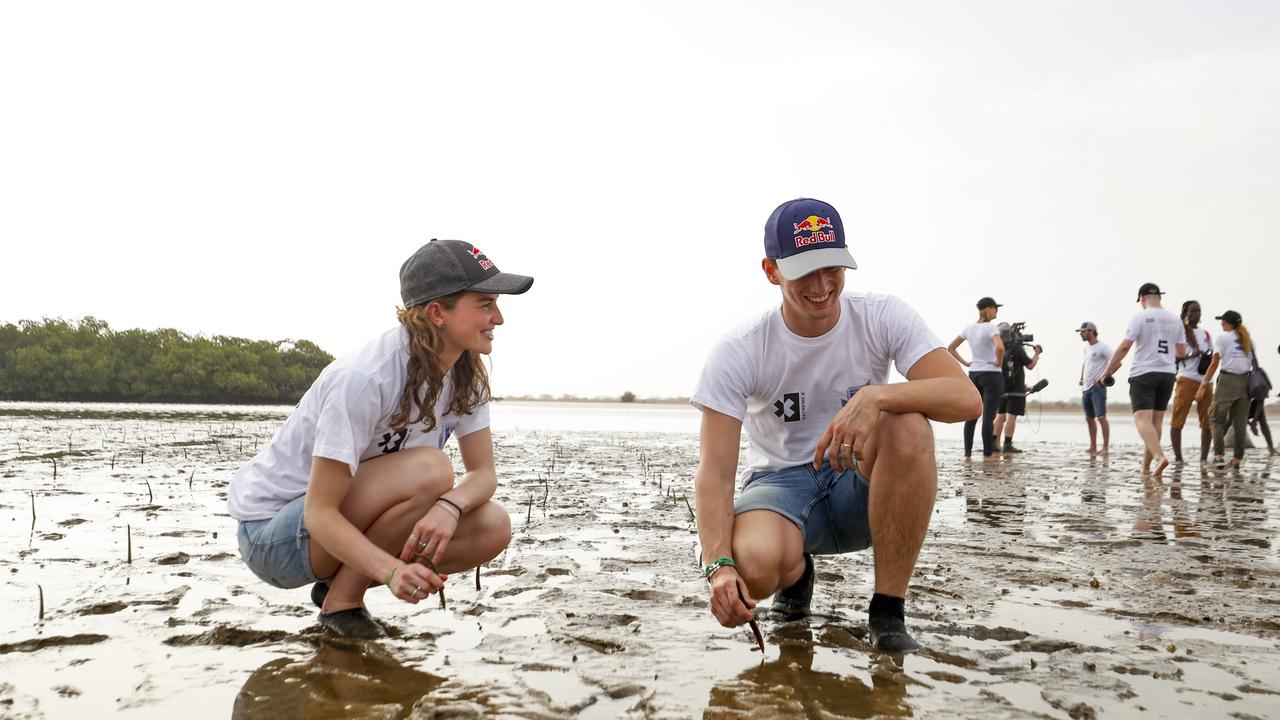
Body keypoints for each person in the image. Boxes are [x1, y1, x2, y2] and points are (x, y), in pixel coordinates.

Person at [691, 198, 980, 655]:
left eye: (833, 267)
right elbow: (715, 473)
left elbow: (967, 398)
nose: (822, 285)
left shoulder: (882, 315)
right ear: (772, 271)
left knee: (907, 423)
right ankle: (797, 573)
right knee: (755, 566)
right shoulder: (740, 349)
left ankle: (887, 612)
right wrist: (718, 566)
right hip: (780, 486)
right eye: (804, 270)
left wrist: (878, 395)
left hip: (860, 486)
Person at [228, 239, 532, 639]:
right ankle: (342, 606)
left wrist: (450, 508)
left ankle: (339, 590)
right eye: (486, 304)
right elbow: (320, 513)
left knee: (493, 524)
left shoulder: (466, 374)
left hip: (333, 529)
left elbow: (484, 474)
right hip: (274, 538)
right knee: (430, 469)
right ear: (438, 312)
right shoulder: (365, 377)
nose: (499, 318)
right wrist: (391, 572)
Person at [1100, 283, 1185, 478]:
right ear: (1160, 297)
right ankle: (1146, 467)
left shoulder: (1140, 317)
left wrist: (1107, 370)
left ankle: (1159, 457)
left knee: (1142, 419)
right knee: (1157, 421)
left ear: (1142, 298)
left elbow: (1124, 347)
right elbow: (1181, 352)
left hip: (1144, 372)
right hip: (1167, 373)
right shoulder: (1175, 320)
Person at [948, 298, 1006, 460]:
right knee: (988, 416)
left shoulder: (969, 328)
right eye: (995, 308)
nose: (997, 311)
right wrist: (998, 362)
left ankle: (967, 455)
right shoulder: (991, 327)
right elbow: (1000, 347)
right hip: (992, 374)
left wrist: (966, 363)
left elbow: (950, 348)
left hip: (974, 374)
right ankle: (988, 455)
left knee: (971, 415)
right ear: (987, 309)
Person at [1198, 310, 1255, 467]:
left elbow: (1214, 363)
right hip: (1245, 381)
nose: (1221, 324)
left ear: (1229, 323)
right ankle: (1237, 459)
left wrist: (1203, 385)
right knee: (1240, 421)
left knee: (1215, 417)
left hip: (1228, 380)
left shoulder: (1223, 338)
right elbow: (1253, 364)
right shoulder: (1248, 340)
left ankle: (1218, 455)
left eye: (1223, 321)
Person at [1169, 300, 1214, 463]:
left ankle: (1203, 458)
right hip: (1186, 379)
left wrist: (1205, 355)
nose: (1196, 314)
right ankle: (1179, 457)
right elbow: (1174, 355)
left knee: (1207, 421)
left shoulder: (1206, 334)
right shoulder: (1179, 332)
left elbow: (1213, 356)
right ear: (1185, 314)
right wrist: (1192, 355)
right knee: (1178, 419)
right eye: (1192, 311)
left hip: (1205, 381)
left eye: (1198, 311)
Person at [992, 324, 1041, 454]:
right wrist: (1037, 353)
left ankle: (993, 444)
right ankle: (1008, 444)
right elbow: (1030, 365)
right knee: (1011, 417)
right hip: (1016, 390)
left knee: (1000, 416)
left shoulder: (997, 349)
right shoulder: (1017, 349)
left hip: (1001, 389)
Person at [1077, 322, 1112, 455]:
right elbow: (1086, 363)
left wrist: (1104, 377)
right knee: (1089, 418)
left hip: (1098, 388)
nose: (1081, 334)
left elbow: (1116, 362)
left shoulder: (1103, 347)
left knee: (1101, 417)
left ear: (1091, 331)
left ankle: (1106, 447)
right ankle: (1093, 446)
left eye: (1083, 331)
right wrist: (1081, 377)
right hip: (1086, 388)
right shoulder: (1086, 349)